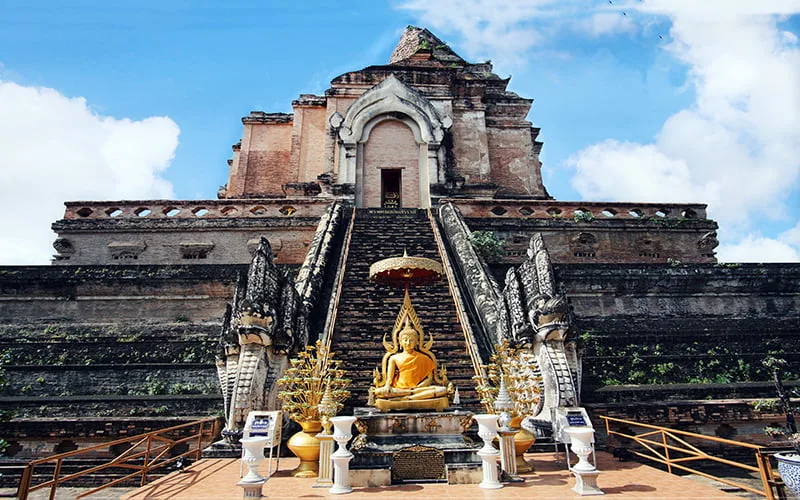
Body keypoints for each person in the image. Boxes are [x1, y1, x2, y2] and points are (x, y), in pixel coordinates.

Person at [372, 321, 449, 401]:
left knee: (442, 390)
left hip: (418, 389)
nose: (408, 343)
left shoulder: (424, 358)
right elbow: (389, 379)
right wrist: (387, 386)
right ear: (400, 342)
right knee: (379, 392)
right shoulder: (394, 358)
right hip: (399, 389)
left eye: (411, 340)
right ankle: (410, 395)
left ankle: (406, 398)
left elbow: (429, 379)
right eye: (405, 340)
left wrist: (417, 388)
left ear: (416, 342)